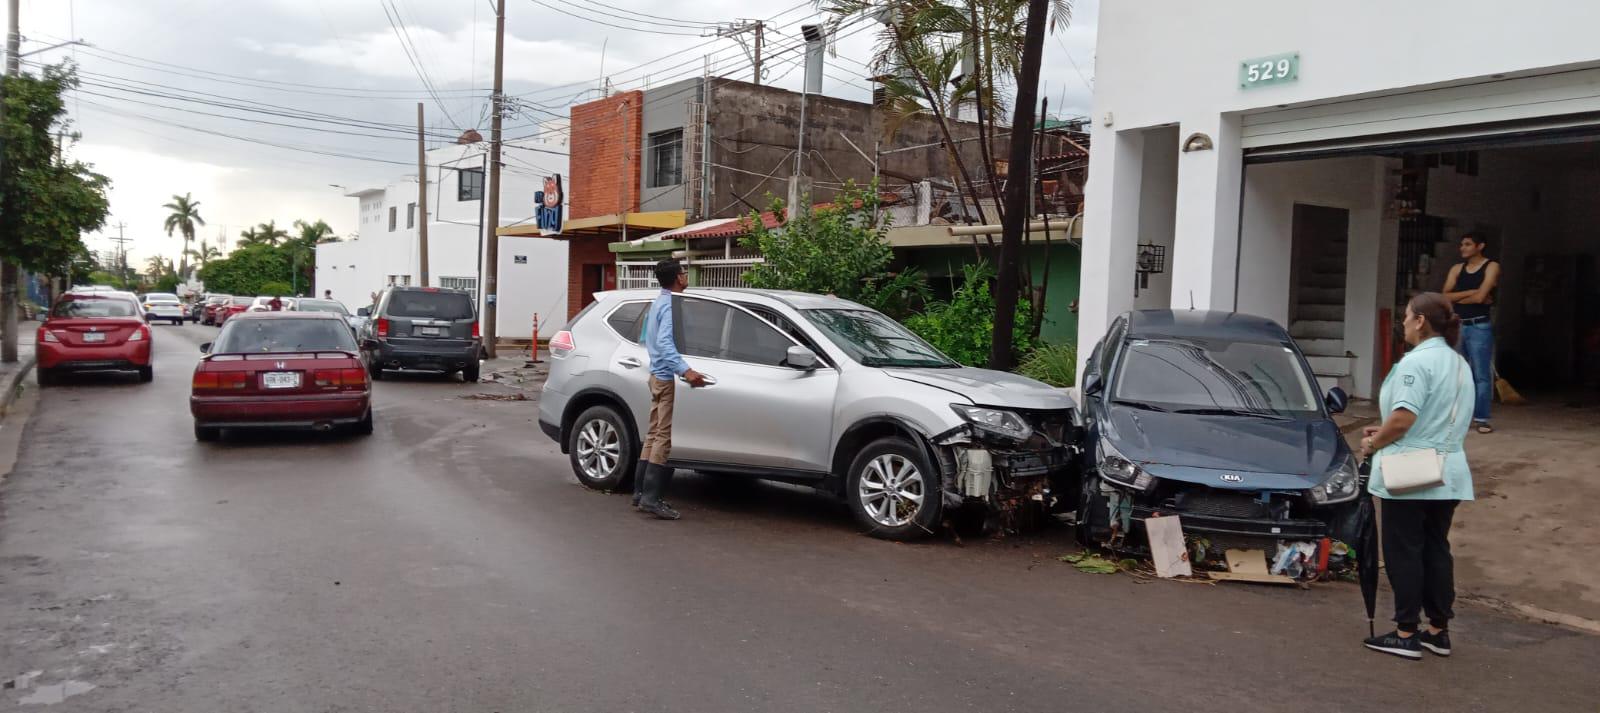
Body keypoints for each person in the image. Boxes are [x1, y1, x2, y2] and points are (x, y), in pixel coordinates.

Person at [1359, 292, 1476, 661]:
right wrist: (1391, 429)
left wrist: (1374, 442)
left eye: (1406, 317)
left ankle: (1406, 631)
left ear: (1420, 320)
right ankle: (1438, 630)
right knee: (1436, 548)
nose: (1403, 323)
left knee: (1404, 550)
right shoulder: (1458, 363)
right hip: (1450, 469)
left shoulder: (1415, 363)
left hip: (1411, 470)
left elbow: (1405, 417)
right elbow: (1433, 417)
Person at [630, 259, 707, 520]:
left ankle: (640, 493)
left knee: (653, 434)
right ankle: (651, 498)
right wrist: (685, 370)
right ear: (677, 278)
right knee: (662, 436)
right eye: (684, 273)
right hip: (664, 376)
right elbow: (664, 342)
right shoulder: (670, 306)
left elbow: (647, 339)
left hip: (656, 374)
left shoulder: (659, 302)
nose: (686, 276)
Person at [1442, 233, 1500, 434]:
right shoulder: (1457, 268)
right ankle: (1456, 417)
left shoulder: (1491, 266)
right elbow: (1445, 297)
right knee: (1456, 374)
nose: (1462, 248)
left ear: (1480, 246)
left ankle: (1481, 418)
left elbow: (1481, 297)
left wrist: (1464, 297)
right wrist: (1471, 293)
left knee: (1481, 375)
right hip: (1457, 325)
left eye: (1467, 244)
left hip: (1479, 326)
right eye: (1461, 244)